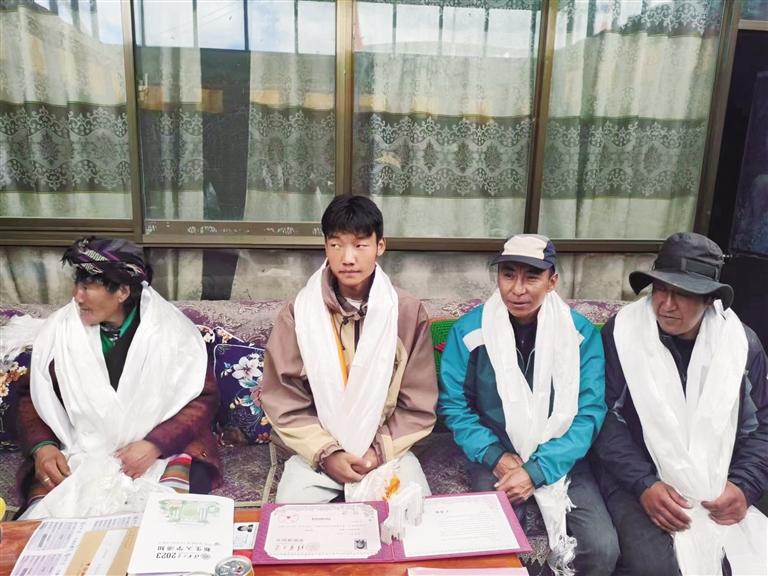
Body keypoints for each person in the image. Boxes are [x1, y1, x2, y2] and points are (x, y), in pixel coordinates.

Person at [439, 234, 618, 576]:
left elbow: (589, 413)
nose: (517, 289)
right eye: (508, 275)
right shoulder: (471, 331)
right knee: (494, 544)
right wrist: (494, 455)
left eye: (531, 277)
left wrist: (537, 470)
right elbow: (454, 406)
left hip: (562, 456)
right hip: (496, 454)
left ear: (552, 281)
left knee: (602, 547)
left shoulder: (579, 335)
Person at [592, 232, 768, 575]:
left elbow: (763, 425)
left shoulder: (740, 345)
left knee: (742, 562)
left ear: (710, 299)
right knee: (657, 567)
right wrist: (644, 484)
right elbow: (603, 418)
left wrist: (744, 485)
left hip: (715, 477)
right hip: (635, 476)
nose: (666, 304)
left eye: (684, 293)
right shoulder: (623, 333)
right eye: (660, 289)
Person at [14, 237, 221, 519]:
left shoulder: (172, 333)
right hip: (81, 447)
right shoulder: (60, 332)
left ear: (122, 291)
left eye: (87, 287)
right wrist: (43, 448)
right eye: (77, 285)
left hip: (163, 449)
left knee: (170, 520)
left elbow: (202, 397)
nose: (77, 296)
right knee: (49, 519)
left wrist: (155, 444)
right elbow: (32, 396)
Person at [260, 194, 438, 503]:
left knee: (415, 513)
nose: (348, 257)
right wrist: (327, 454)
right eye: (337, 244)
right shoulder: (300, 313)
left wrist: (376, 453)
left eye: (360, 245)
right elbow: (283, 397)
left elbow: (417, 403)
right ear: (325, 247)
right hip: (315, 454)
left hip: (387, 450)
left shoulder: (405, 312)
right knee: (292, 517)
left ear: (380, 246)